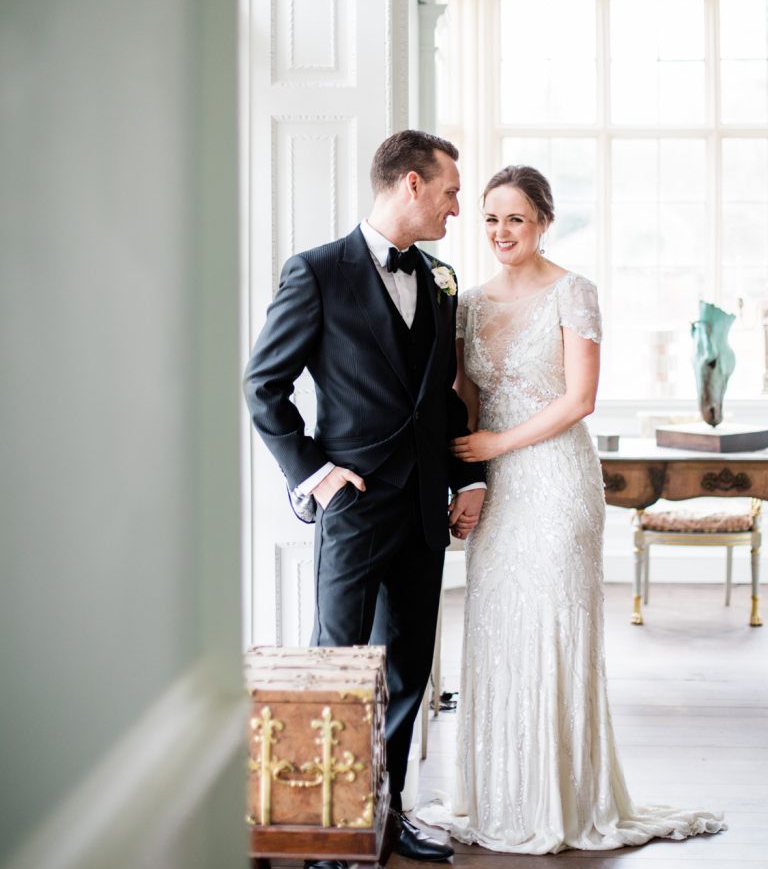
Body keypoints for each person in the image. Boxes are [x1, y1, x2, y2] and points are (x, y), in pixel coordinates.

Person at [416, 165, 726, 854]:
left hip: (556, 482)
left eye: (516, 219)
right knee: (499, 628)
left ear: (544, 223)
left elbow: (580, 399)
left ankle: (566, 800)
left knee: (553, 625)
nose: (501, 232)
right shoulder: (468, 303)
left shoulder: (572, 291)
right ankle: (502, 794)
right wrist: (469, 481)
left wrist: (497, 443)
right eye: (491, 218)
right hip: (497, 486)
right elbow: (465, 400)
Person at [243, 130, 486, 867]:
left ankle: (387, 812)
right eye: (449, 191)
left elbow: (439, 397)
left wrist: (468, 479)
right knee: (339, 663)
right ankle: (331, 829)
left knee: (408, 669)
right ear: (411, 184)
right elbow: (264, 385)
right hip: (352, 505)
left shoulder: (441, 279)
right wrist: (316, 474)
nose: (456, 207)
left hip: (425, 508)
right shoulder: (317, 271)